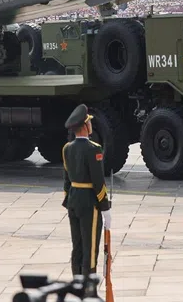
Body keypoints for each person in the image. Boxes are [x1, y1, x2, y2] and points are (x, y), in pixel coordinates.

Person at [61, 104, 110, 276]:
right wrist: (105, 205)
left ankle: (76, 282)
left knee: (78, 246)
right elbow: (98, 181)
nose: (91, 125)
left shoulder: (67, 148)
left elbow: (67, 181)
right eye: (89, 122)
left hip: (73, 200)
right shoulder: (93, 148)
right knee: (90, 248)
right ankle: (88, 288)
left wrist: (68, 200)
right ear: (84, 126)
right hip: (89, 202)